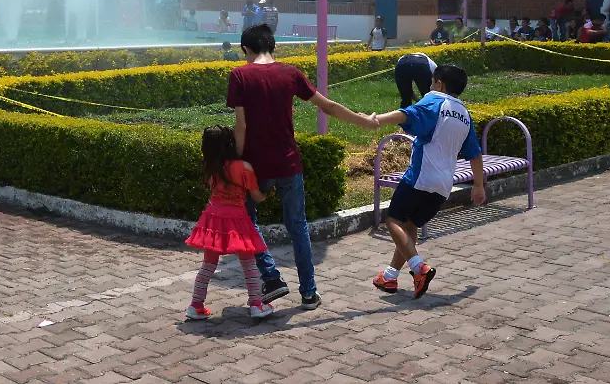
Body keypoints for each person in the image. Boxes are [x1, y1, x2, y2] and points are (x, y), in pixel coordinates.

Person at [228, 23, 371, 310]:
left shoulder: (240, 75)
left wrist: (237, 161)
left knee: (247, 221)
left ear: (246, 48)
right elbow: (327, 106)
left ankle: (271, 277)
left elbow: (241, 124)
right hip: (288, 162)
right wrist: (363, 120)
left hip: (255, 165)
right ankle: (308, 292)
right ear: (273, 46)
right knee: (297, 226)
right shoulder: (290, 73)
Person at [363, 64, 485, 299]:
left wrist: (376, 120)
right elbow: (475, 154)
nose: (429, 86)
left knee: (392, 220)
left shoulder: (435, 101)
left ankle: (420, 268)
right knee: (411, 226)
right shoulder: (464, 115)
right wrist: (478, 185)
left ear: (440, 84)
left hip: (420, 177)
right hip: (442, 186)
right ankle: (389, 277)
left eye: (431, 82)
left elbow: (408, 115)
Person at [184, 125, 275, 321]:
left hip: (212, 218)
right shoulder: (244, 168)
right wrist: (269, 192)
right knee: (248, 262)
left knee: (208, 264)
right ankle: (256, 304)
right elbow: (257, 197)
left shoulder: (211, 168)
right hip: (237, 219)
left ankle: (196, 305)